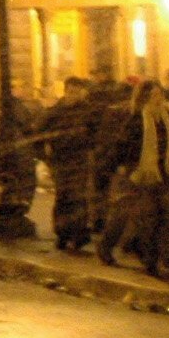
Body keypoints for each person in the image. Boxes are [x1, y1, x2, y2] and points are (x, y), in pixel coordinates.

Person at [97, 79, 169, 276]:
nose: (158, 99)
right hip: (136, 172)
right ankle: (107, 246)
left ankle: (151, 258)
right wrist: (120, 167)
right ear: (144, 97)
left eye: (160, 94)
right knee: (125, 214)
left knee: (159, 215)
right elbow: (123, 145)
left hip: (161, 174)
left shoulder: (167, 117)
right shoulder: (136, 118)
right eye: (153, 95)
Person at [39, 76, 104, 253]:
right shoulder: (54, 112)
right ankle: (63, 233)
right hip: (61, 160)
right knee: (63, 196)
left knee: (78, 197)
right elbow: (39, 133)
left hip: (80, 159)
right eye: (71, 92)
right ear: (66, 91)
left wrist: (91, 147)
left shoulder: (88, 111)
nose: (74, 96)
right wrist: (46, 157)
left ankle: (78, 234)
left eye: (77, 92)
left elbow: (97, 134)